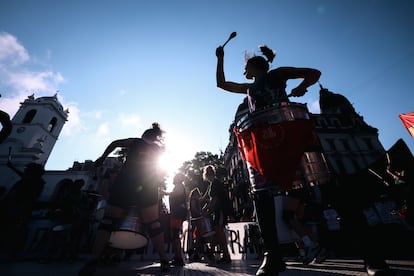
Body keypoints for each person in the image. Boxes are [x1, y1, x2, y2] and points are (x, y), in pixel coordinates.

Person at [216, 44, 321, 275]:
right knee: (260, 195)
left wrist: (303, 86)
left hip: (285, 134)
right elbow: (222, 84)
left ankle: (309, 244)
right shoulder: (248, 90)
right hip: (264, 141)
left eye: (245, 67)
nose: (243, 70)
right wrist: (220, 58)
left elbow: (314, 73)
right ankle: (272, 254)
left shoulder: (277, 74)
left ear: (255, 67)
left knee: (295, 186)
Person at [79, 123, 170, 275]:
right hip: (147, 185)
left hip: (126, 184)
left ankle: (93, 260)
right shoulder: (159, 150)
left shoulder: (136, 142)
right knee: (154, 224)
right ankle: (164, 260)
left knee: (108, 221)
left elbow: (115, 143)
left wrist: (102, 157)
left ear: (144, 135)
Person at [0, 162, 45, 261]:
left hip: (17, 209)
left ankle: (10, 252)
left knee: (11, 230)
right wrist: (13, 167)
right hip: (19, 210)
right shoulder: (36, 181)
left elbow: (23, 177)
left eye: (27, 169)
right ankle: (11, 253)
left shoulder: (30, 182)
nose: (25, 170)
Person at [202, 165, 232, 264]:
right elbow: (211, 199)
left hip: (220, 211)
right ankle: (211, 251)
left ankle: (226, 254)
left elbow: (214, 199)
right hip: (219, 210)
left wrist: (207, 210)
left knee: (219, 231)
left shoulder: (214, 184)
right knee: (217, 232)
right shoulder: (214, 183)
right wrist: (206, 208)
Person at [160, 173, 187, 266]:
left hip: (177, 213)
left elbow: (176, 193)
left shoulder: (179, 186)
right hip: (177, 213)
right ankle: (177, 256)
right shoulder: (179, 186)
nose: (173, 178)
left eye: (174, 177)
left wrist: (164, 192)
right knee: (175, 234)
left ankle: (179, 257)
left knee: (175, 234)